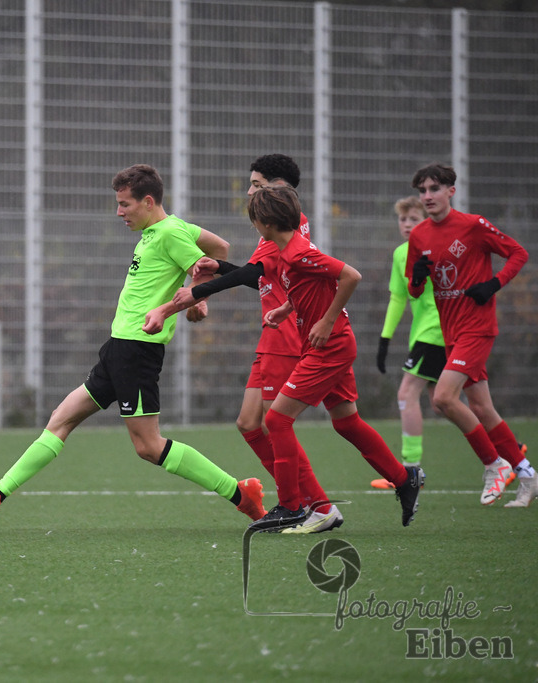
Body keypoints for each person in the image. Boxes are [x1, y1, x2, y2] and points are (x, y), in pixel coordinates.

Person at [0, 164, 266, 524]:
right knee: (60, 420)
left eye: (125, 205)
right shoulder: (170, 229)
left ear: (148, 201)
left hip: (137, 350)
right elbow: (217, 247)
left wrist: (194, 297)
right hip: (117, 348)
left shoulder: (170, 232)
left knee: (148, 446)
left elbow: (211, 261)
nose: (119, 212)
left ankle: (240, 493)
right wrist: (194, 291)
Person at [175, 185, 424, 530]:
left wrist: (326, 319)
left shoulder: (296, 252)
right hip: (324, 342)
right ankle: (403, 478)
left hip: (330, 345)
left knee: (276, 421)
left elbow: (350, 276)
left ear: (264, 223)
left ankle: (292, 506)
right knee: (345, 420)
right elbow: (304, 284)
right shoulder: (287, 251)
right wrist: (286, 308)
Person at [175, 155, 342, 534]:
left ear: (278, 188)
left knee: (274, 422)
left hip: (284, 336)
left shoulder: (283, 227)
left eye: (256, 184)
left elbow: (254, 274)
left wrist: (194, 293)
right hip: (272, 332)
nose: (249, 190)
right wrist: (217, 269)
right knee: (251, 423)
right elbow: (257, 279)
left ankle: (309, 504)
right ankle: (308, 504)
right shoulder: (276, 228)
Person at [406, 163, 534, 507]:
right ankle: (527, 474)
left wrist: (493, 284)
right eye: (422, 190)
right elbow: (415, 292)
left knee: (443, 398)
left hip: (477, 328)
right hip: (452, 333)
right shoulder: (418, 236)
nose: (427, 196)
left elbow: (518, 253)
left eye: (434, 189)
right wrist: (417, 278)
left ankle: (495, 465)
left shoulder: (473, 226)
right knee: (481, 407)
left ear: (451, 191)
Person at [372, 196, 446, 489]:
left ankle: (409, 471)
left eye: (413, 219)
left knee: (406, 393)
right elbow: (398, 297)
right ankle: (507, 452)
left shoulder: (434, 250)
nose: (406, 224)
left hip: (437, 332)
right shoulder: (401, 253)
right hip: (425, 334)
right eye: (403, 219)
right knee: (444, 404)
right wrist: (384, 339)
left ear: (426, 222)